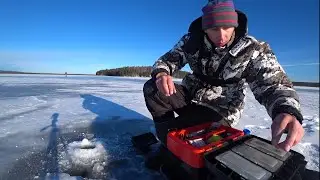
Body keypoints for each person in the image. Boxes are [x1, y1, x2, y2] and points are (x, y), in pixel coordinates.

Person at [143, 0, 304, 155]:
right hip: (190, 96)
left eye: (227, 27)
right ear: (205, 28)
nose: (221, 36)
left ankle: (177, 144)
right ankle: (168, 144)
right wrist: (161, 74)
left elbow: (273, 85)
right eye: (214, 29)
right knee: (153, 89)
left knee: (188, 133)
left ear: (235, 25)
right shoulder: (191, 41)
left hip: (220, 108)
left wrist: (286, 109)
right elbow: (166, 60)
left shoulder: (253, 49)